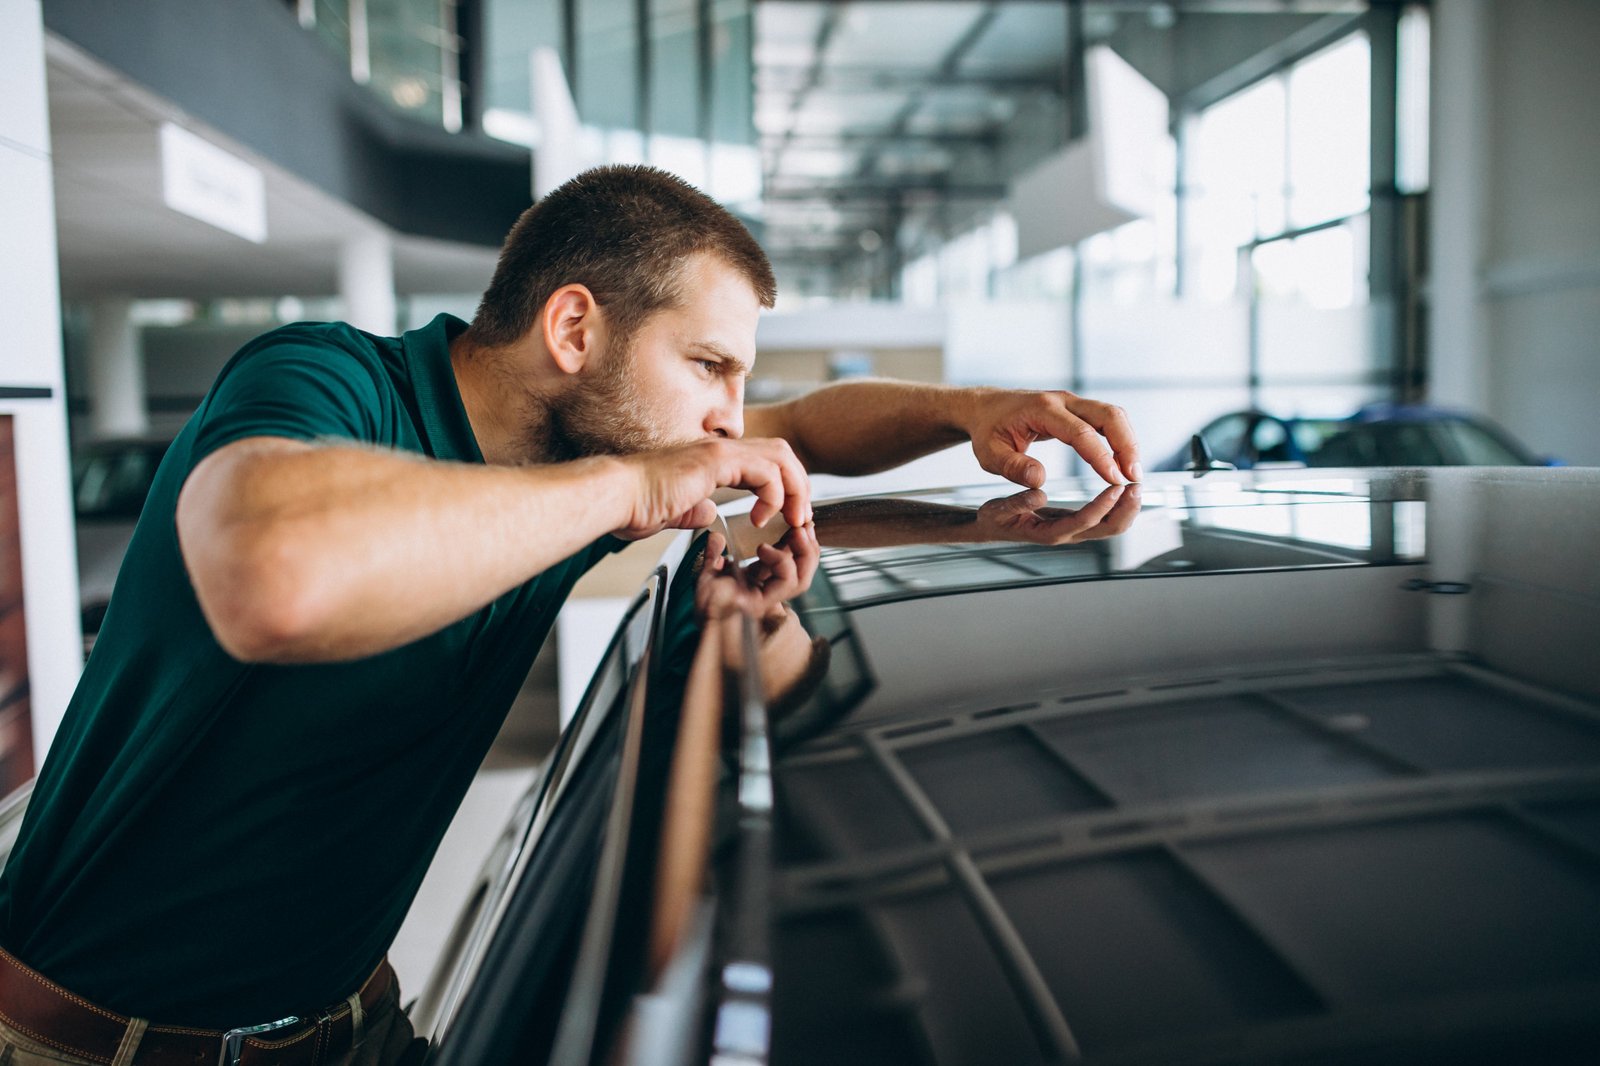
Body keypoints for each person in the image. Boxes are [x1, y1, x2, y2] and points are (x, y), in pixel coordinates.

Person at [0, 164, 1139, 1065]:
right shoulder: (329, 378)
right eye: (706, 364)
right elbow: (273, 578)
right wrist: (637, 486)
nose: (725, 417)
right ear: (574, 329)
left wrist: (971, 406)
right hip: (92, 1046)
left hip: (345, 1024)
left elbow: (802, 430)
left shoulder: (575, 450)